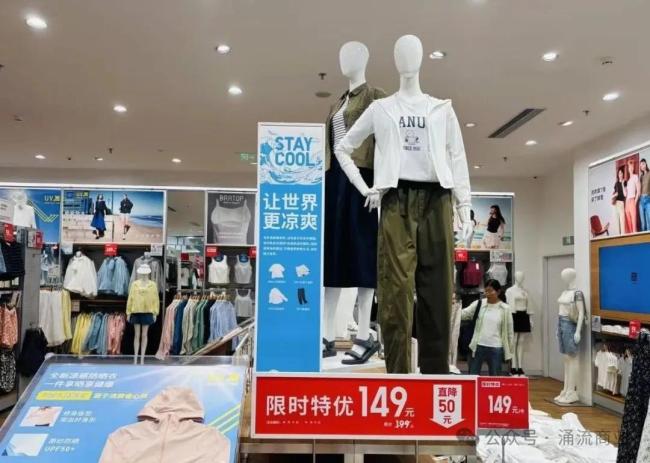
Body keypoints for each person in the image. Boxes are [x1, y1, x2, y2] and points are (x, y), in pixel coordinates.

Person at [461, 279, 514, 376]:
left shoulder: (505, 309)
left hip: (496, 347)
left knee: (495, 377)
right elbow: (463, 314)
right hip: (477, 346)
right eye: (486, 291)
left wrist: (510, 352)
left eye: (490, 291)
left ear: (498, 292)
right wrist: (454, 308)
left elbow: (509, 332)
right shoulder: (479, 304)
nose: (487, 294)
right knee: (473, 375)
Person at [624, 159, 640, 233]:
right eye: (629, 167)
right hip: (627, 202)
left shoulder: (635, 177)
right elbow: (625, 194)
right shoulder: (628, 181)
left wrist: (635, 201)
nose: (630, 168)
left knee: (633, 223)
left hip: (632, 200)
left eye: (632, 166)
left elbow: (638, 191)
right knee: (629, 223)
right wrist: (624, 187)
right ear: (628, 168)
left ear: (633, 168)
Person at [611, 166, 627, 235]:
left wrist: (622, 184)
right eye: (619, 173)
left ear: (623, 174)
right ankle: (618, 238)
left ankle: (623, 238)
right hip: (615, 204)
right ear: (618, 174)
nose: (620, 174)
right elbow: (613, 194)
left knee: (622, 223)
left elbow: (625, 195)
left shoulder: (625, 182)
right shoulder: (616, 183)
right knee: (617, 224)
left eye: (621, 173)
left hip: (621, 203)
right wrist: (615, 195)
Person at [639, 158, 650, 232]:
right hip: (641, 200)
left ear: (645, 164)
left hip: (648, 199)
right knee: (643, 224)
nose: (642, 166)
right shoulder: (641, 177)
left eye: (643, 164)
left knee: (649, 222)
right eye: (640, 165)